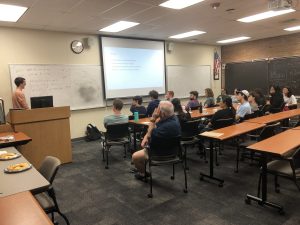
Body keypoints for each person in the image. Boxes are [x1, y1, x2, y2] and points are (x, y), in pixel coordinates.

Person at [132, 101, 181, 179]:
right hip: (174, 151)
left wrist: (153, 119)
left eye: (157, 110)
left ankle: (142, 173)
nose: (155, 111)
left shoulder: (163, 129)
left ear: (162, 114)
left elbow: (149, 135)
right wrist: (146, 136)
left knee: (135, 156)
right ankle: (142, 166)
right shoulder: (174, 118)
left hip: (158, 154)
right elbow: (153, 128)